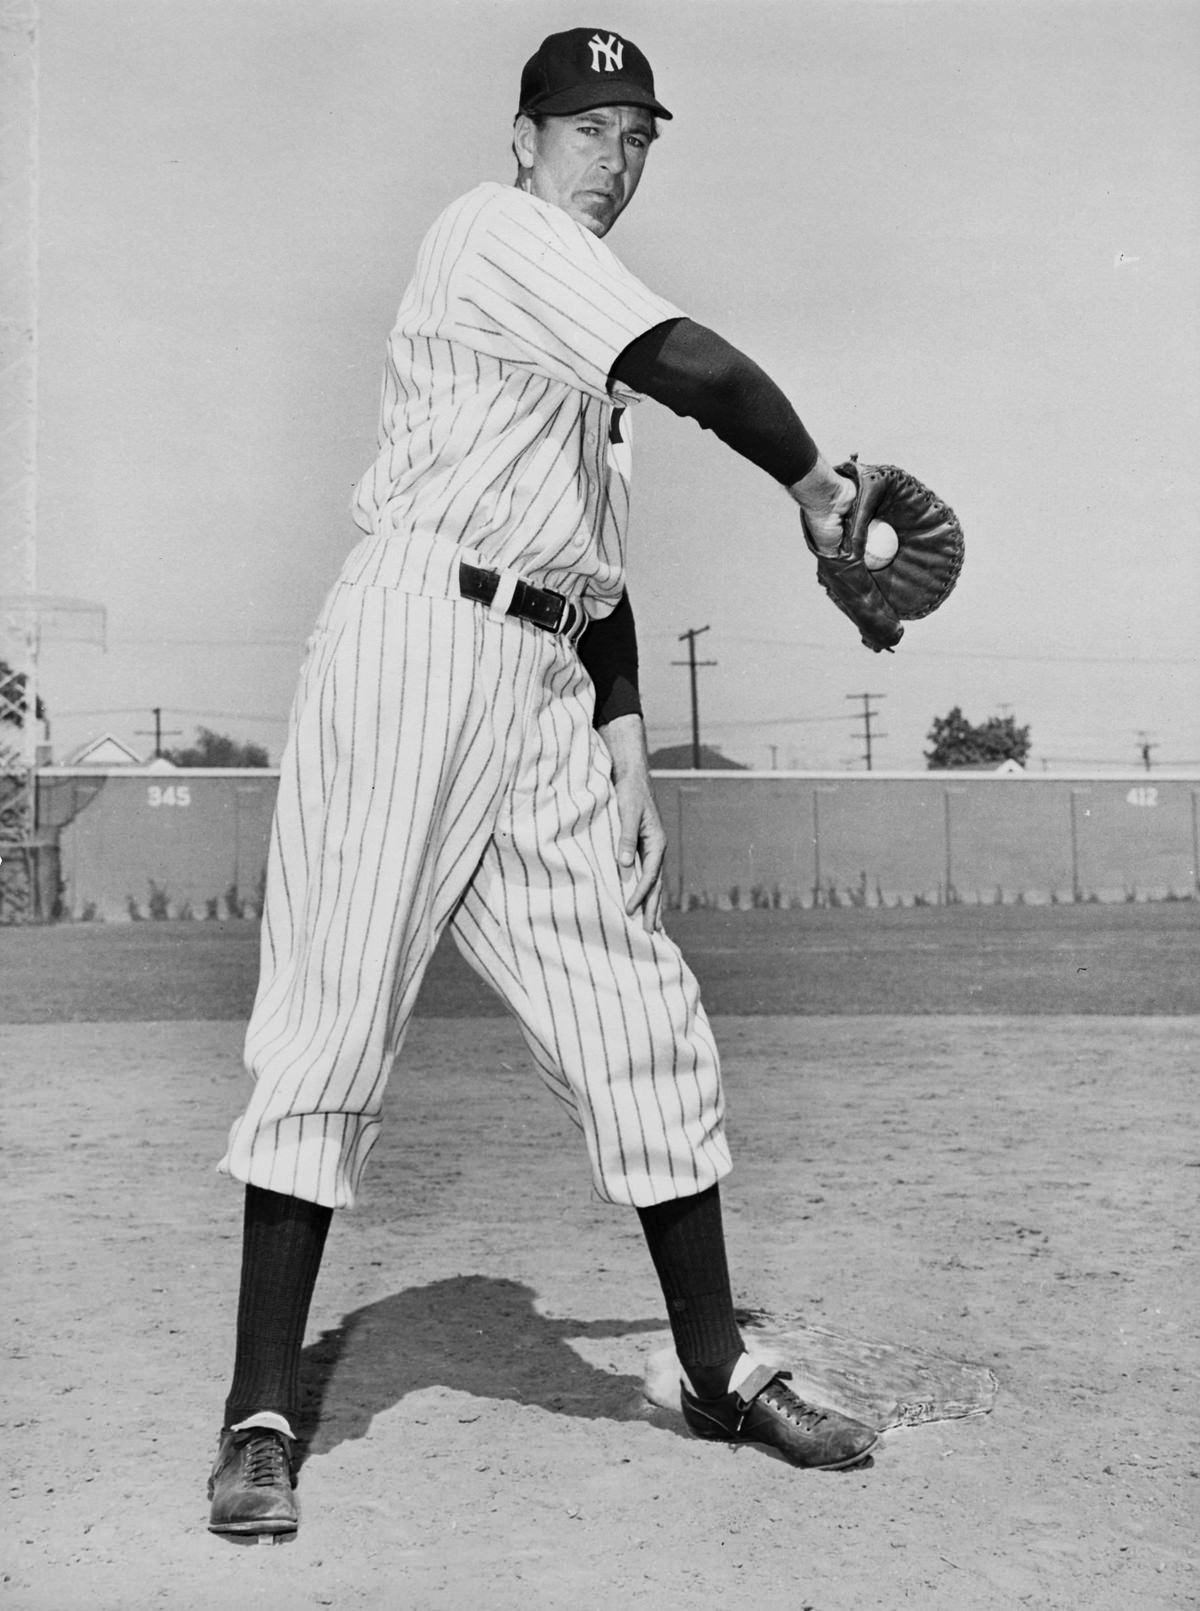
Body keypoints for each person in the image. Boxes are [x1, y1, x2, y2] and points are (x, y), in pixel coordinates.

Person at [207, 26, 878, 1540]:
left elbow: (591, 573)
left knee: (640, 1010)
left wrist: (626, 754)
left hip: (542, 683)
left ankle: (715, 1366)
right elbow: (692, 361)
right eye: (588, 129)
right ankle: (258, 1411)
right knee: (332, 1014)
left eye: (640, 133)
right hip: (412, 647)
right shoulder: (493, 233)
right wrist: (814, 480)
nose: (616, 159)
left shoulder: (580, 361)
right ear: (523, 141)